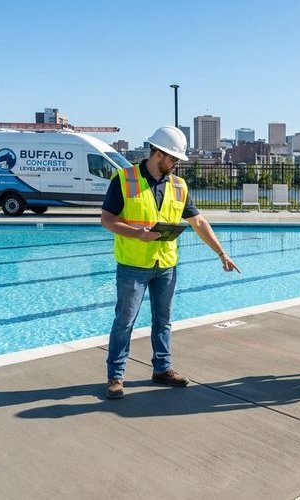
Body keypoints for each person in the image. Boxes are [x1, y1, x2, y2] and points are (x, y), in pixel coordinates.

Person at [101, 126, 240, 399]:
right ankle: (115, 376)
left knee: (163, 321)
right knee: (125, 321)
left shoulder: (178, 185)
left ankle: (162, 369)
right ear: (158, 154)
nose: (176, 164)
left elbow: (198, 221)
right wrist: (137, 234)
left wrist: (221, 253)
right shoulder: (124, 179)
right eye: (173, 158)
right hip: (133, 265)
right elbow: (107, 219)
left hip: (166, 265)